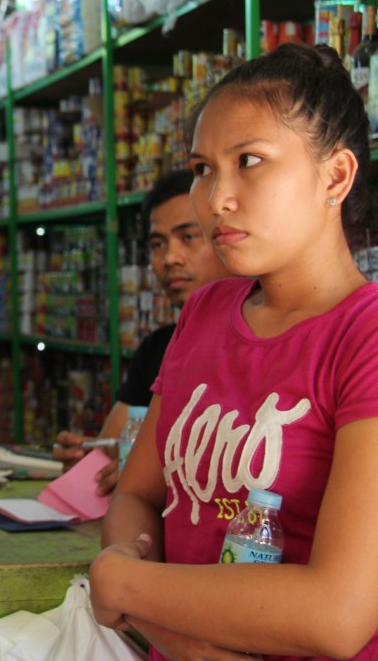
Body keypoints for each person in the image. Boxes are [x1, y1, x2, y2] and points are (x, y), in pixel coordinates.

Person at [90, 42, 378, 660]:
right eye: (201, 169)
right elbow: (139, 494)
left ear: (336, 176)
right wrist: (176, 638)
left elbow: (338, 615)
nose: (217, 197)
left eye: (250, 160)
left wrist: (126, 583)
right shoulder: (203, 315)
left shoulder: (366, 340)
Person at [53, 169, 232, 494]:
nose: (169, 259)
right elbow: (110, 447)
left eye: (188, 237)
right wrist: (85, 460)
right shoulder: (158, 348)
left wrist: (150, 476)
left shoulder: (262, 346)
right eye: (157, 244)